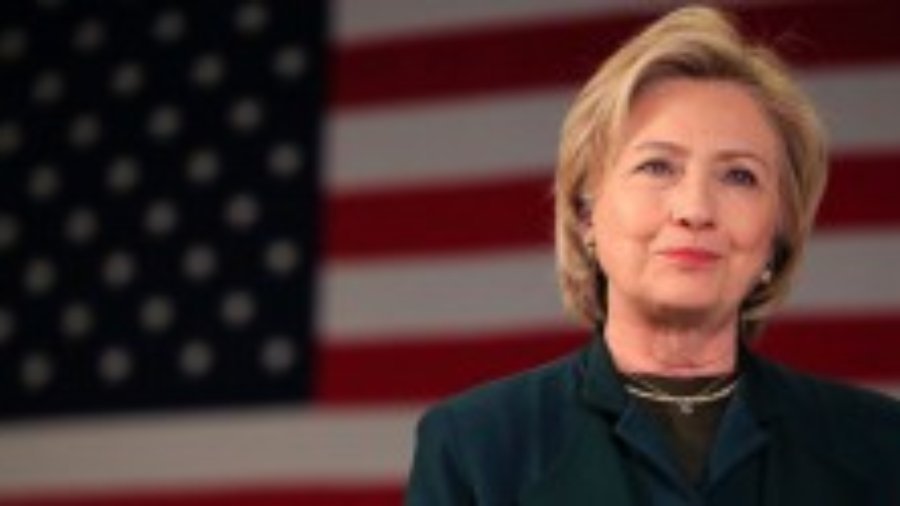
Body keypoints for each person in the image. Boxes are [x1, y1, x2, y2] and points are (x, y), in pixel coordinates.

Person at [405, 5, 900, 506]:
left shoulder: (879, 444)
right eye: (658, 166)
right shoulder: (476, 445)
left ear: (778, 232)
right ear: (585, 214)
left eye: (739, 176)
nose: (695, 209)